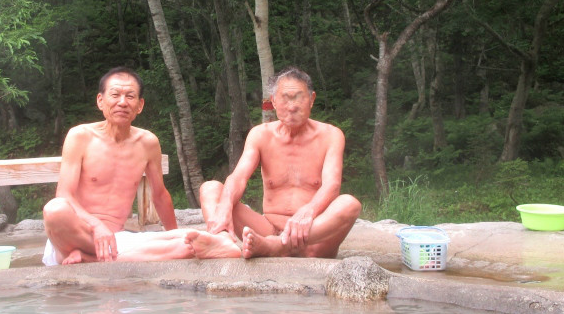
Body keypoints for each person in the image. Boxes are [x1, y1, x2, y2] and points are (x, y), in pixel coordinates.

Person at [42, 67, 239, 265]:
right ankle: (95, 255)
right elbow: (64, 195)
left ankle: (89, 257)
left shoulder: (147, 143)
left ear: (140, 105)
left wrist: (174, 234)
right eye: (115, 95)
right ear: (100, 101)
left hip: (117, 239)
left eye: (130, 96)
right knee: (54, 209)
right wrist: (96, 225)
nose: (122, 102)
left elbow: (160, 195)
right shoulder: (80, 136)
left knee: (186, 240)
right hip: (76, 234)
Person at [200, 67, 362, 259]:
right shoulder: (260, 134)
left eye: (299, 98)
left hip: (312, 239)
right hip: (268, 230)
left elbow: (332, 186)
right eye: (285, 98)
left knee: (350, 204)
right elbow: (239, 177)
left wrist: (309, 211)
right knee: (210, 189)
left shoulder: (331, 135)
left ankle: (276, 247)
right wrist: (225, 206)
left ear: (311, 99)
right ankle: (220, 241)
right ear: (274, 101)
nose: (292, 106)